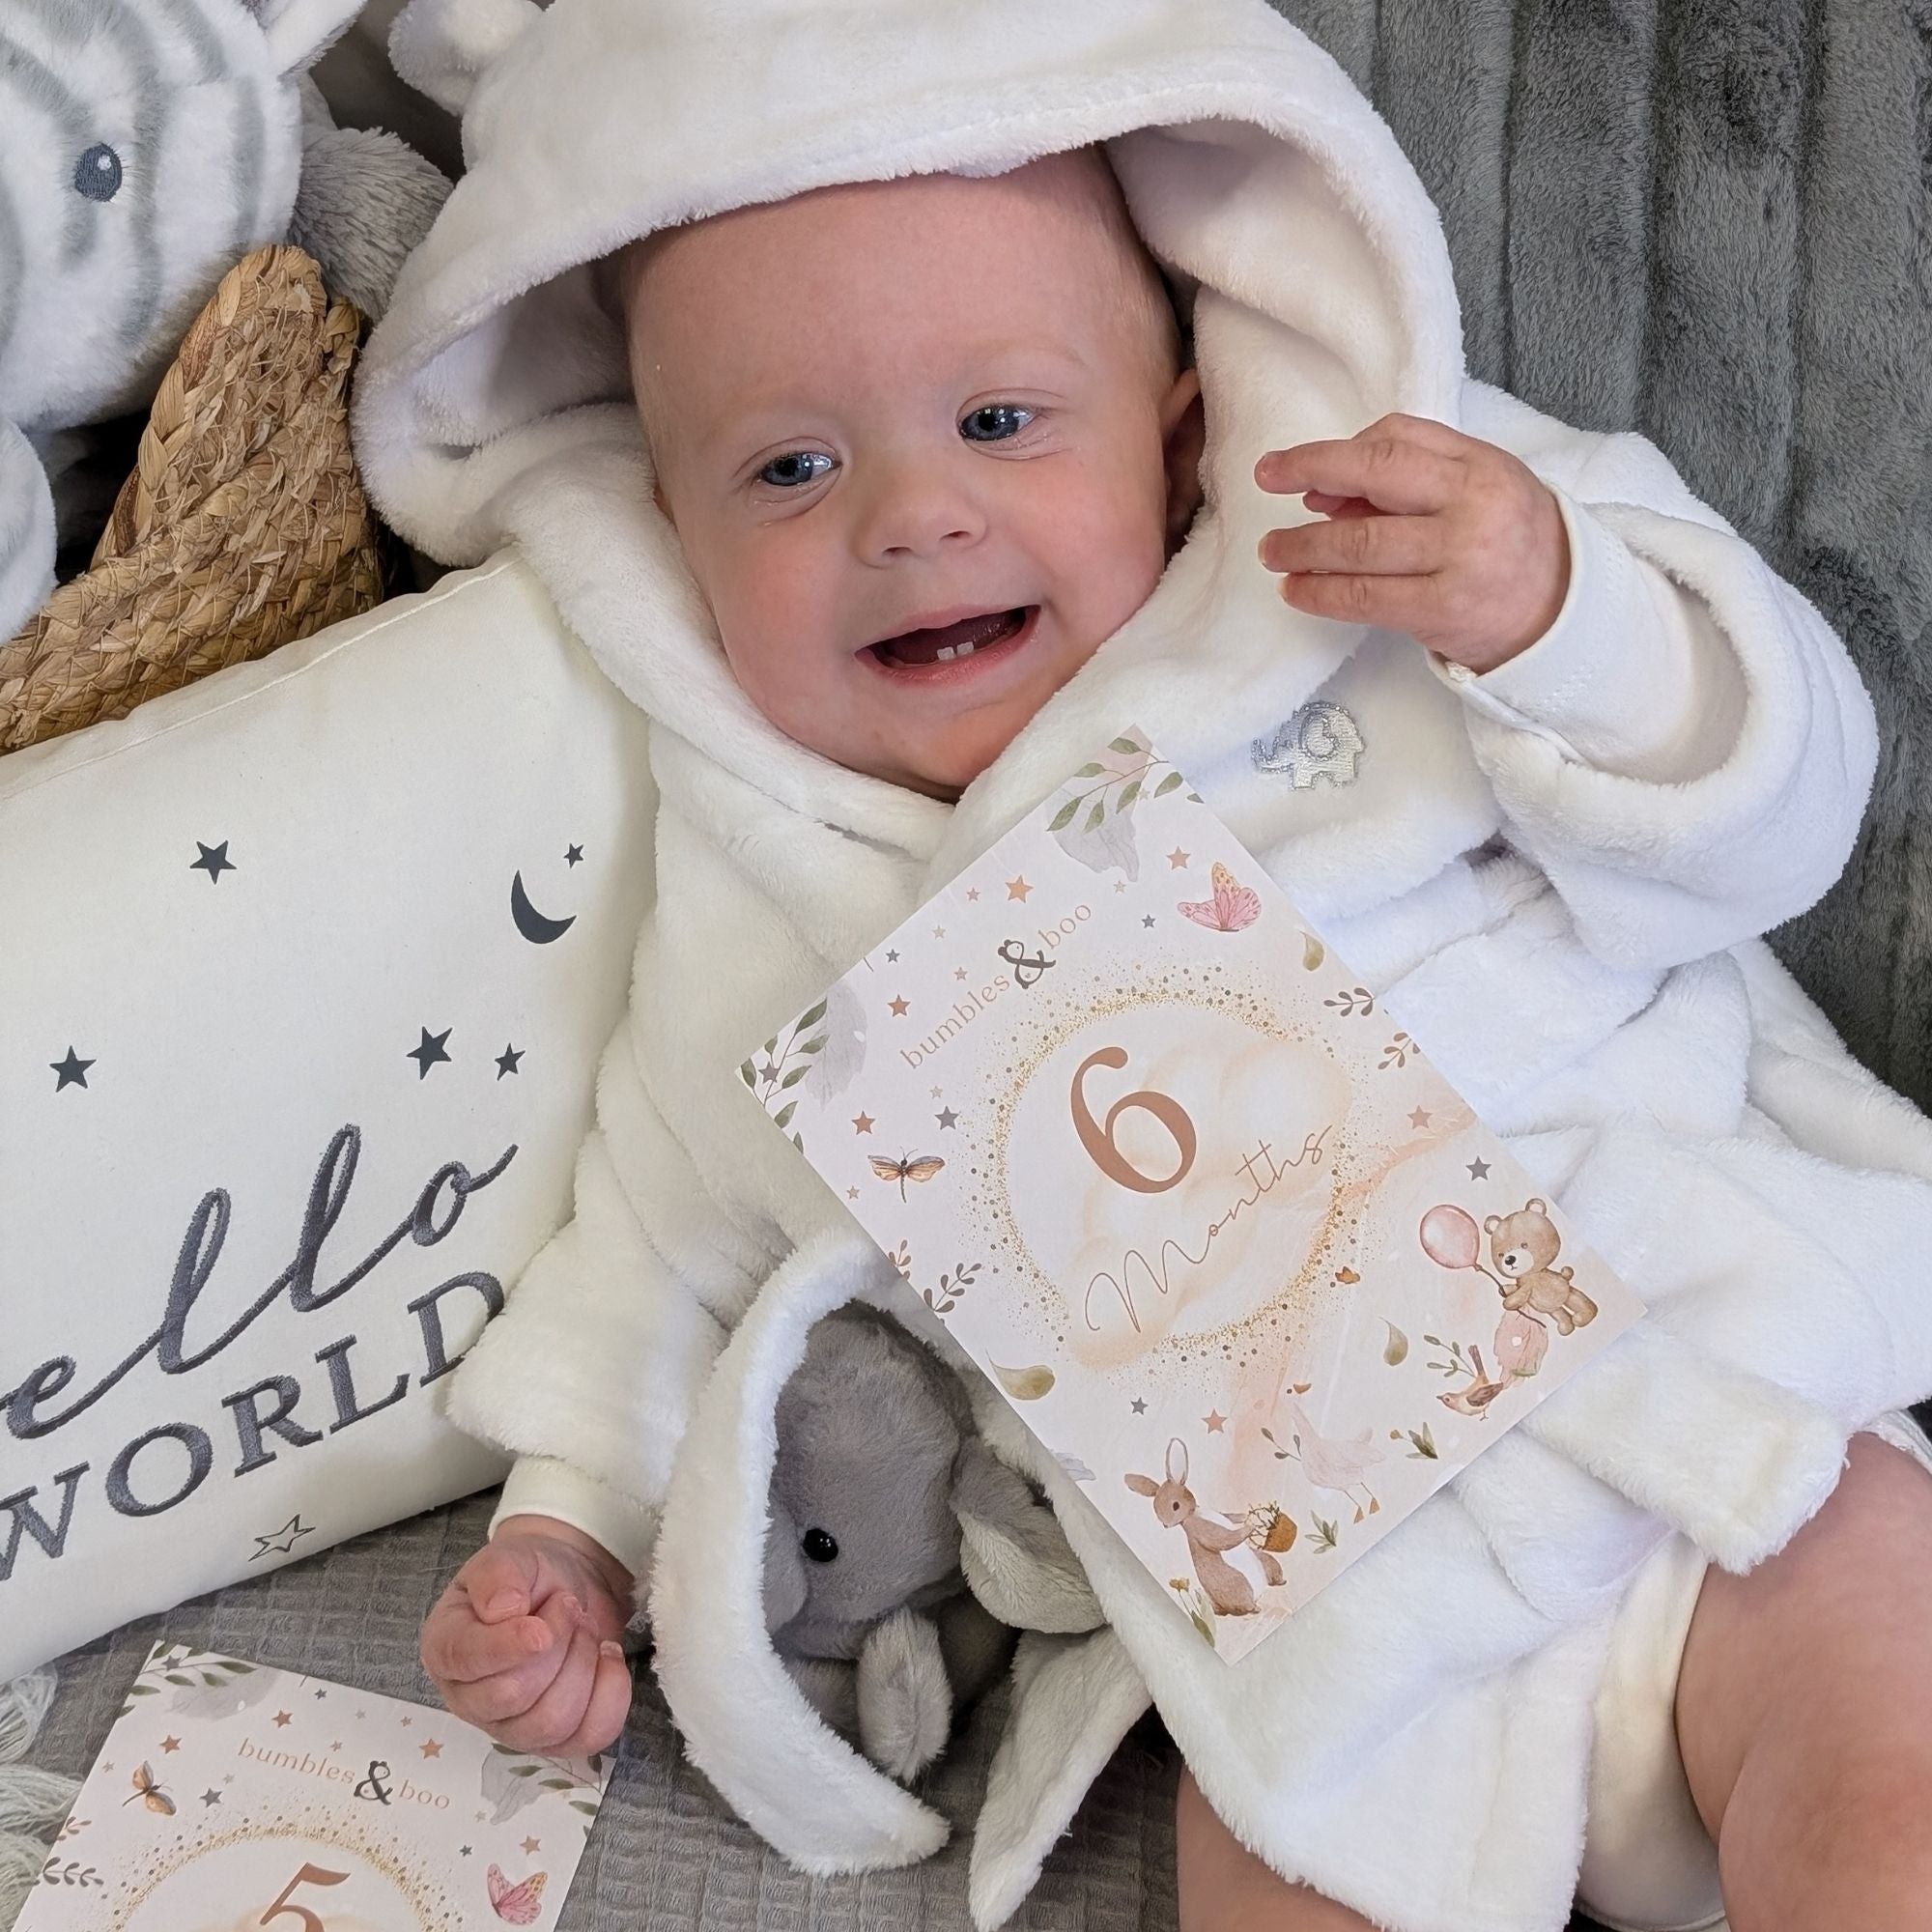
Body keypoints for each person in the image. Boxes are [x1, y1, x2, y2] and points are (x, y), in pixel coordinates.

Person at [356, 3, 1932, 1926]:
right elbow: (654, 1241)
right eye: (784, 469)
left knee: (1897, 1780)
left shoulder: (1360, 575)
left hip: (1695, 1392)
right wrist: (564, 1536)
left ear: (1177, 430)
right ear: (664, 524)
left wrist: (1567, 623)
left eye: (1002, 421)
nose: (909, 514)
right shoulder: (766, 879)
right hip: (1293, 1647)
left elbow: (1774, 813)